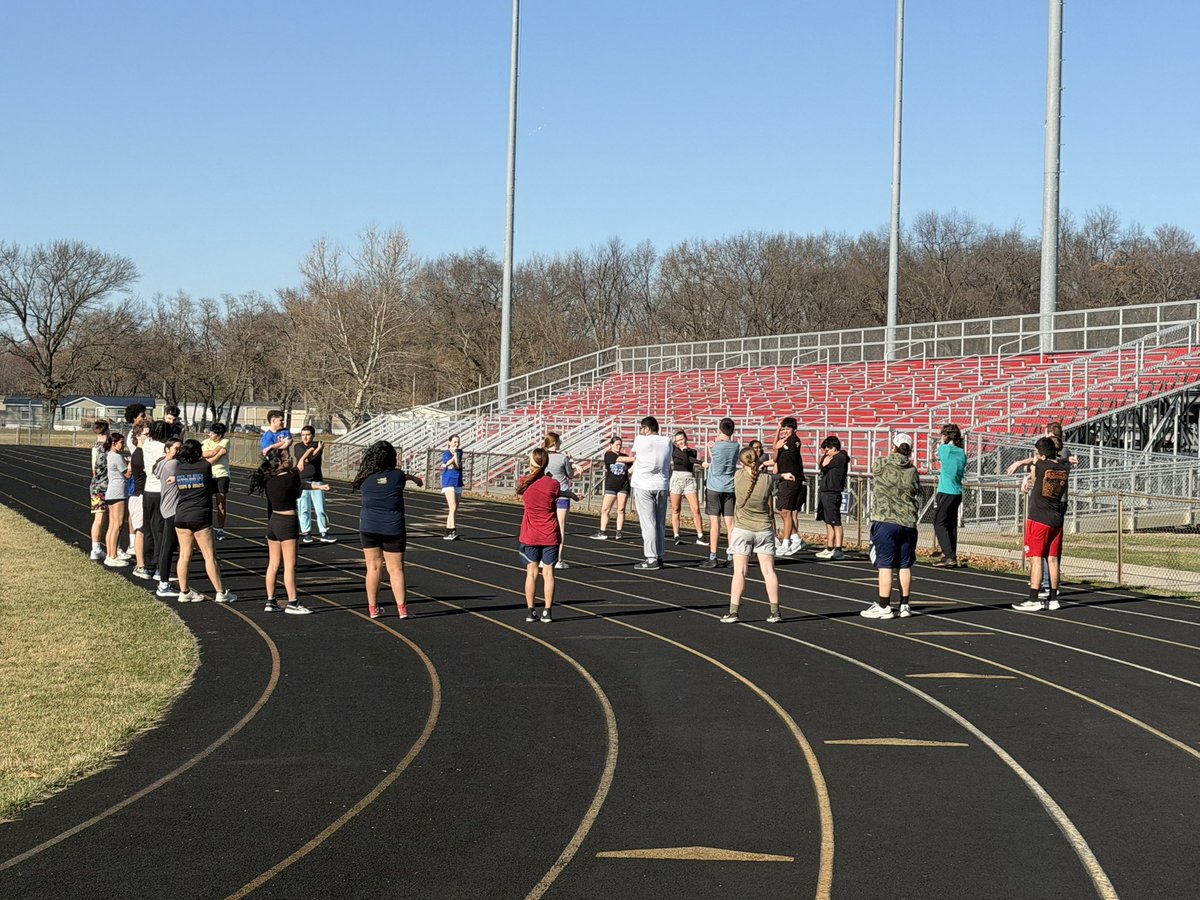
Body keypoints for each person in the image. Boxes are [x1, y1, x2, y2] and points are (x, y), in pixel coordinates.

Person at [352, 441, 423, 619]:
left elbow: (383, 478)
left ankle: (373, 608)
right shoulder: (398, 476)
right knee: (396, 569)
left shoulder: (364, 479)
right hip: (393, 527)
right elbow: (398, 477)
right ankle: (402, 609)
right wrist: (413, 477)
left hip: (369, 527)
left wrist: (410, 477)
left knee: (373, 568)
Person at [251, 449, 326, 614]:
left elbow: (299, 478)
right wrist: (307, 456)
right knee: (290, 565)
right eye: (286, 457)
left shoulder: (269, 479)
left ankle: (270, 601)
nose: (290, 458)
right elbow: (300, 473)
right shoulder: (291, 477)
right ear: (279, 462)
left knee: (273, 564)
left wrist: (315, 485)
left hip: (273, 522)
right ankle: (293, 602)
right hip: (287, 522)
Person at [861, 433, 921, 620]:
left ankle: (884, 605)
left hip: (886, 520)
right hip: (908, 522)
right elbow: (916, 490)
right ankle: (904, 604)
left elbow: (875, 470)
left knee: (885, 565)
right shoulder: (913, 470)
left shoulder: (881, 463)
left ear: (893, 447)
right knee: (905, 565)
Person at [720, 447, 783, 624]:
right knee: (769, 572)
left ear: (742, 463)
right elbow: (772, 476)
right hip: (764, 529)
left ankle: (733, 612)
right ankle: (775, 611)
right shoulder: (766, 480)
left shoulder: (738, 477)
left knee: (739, 572)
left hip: (742, 529)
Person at [171, 439, 237, 604]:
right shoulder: (204, 467)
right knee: (209, 556)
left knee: (184, 555)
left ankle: (184, 591)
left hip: (181, 515)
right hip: (200, 515)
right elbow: (210, 480)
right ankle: (220, 592)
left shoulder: (179, 468)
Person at [1012, 438, 1071, 612]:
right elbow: (1059, 461)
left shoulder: (1040, 465)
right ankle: (1053, 598)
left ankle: (1033, 598)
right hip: (1057, 518)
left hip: (1039, 517)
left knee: (1036, 558)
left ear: (1042, 455)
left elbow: (1035, 466)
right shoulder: (1065, 468)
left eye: (1037, 453)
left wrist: (1022, 463)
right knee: (1052, 559)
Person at [517, 447, 560, 623]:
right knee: (548, 573)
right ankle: (547, 611)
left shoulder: (524, 482)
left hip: (530, 534)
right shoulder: (553, 483)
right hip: (550, 534)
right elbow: (554, 495)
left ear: (532, 463)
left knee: (531, 573)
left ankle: (530, 611)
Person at [629, 416, 673, 570]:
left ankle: (650, 557)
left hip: (644, 484)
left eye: (642, 428)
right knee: (660, 522)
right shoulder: (667, 440)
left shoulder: (640, 439)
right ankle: (659, 554)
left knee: (648, 523)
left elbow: (633, 453)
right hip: (661, 484)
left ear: (646, 428)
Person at [700, 418, 739, 568]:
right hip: (730, 487)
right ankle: (731, 555)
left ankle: (713, 556)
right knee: (730, 523)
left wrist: (711, 446)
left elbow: (715, 458)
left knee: (714, 523)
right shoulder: (736, 446)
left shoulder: (716, 446)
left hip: (714, 487)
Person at [293, 425, 336, 544]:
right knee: (304, 509)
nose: (305, 437)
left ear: (312, 435)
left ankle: (324, 532)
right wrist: (315, 450)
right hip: (303, 481)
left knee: (320, 508)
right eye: (303, 435)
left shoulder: (317, 444)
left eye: (307, 435)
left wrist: (317, 449)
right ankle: (306, 533)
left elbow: (310, 458)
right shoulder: (298, 446)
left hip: (316, 479)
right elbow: (307, 459)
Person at [933, 423, 967, 568]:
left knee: (939, 523)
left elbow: (938, 454)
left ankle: (949, 555)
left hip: (946, 490)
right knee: (951, 524)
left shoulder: (944, 449)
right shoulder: (962, 453)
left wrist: (942, 442)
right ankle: (951, 553)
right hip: (957, 492)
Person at [773, 417, 808, 556]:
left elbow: (777, 450)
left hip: (791, 479)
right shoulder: (783, 442)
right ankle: (795, 538)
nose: (785, 431)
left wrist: (778, 445)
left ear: (794, 430)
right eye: (784, 428)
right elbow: (775, 456)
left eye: (788, 429)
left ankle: (786, 542)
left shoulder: (794, 441)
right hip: (784, 479)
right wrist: (777, 432)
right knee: (783, 511)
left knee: (786, 511)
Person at [543, 432, 578, 568]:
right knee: (561, 527)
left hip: (547, 494)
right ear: (555, 443)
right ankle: (558, 559)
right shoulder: (562, 458)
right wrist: (571, 462)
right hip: (562, 494)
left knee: (546, 525)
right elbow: (570, 474)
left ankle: (544, 558)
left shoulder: (543, 456)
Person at [154, 439, 183, 598]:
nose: (179, 451)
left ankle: (164, 578)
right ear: (167, 449)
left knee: (169, 545)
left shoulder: (163, 462)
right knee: (169, 547)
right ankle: (163, 584)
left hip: (166, 507)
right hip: (172, 509)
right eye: (176, 448)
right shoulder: (173, 465)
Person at [814, 435, 849, 561]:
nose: (826, 453)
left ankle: (838, 549)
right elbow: (822, 464)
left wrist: (825, 462)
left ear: (834, 448)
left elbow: (825, 465)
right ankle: (829, 547)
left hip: (833, 492)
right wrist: (825, 460)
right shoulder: (831, 457)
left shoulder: (840, 458)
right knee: (828, 521)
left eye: (827, 450)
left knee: (835, 522)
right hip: (826, 491)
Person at [591, 435, 632, 541]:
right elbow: (620, 459)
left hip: (623, 485)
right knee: (605, 509)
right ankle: (603, 531)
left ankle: (619, 532)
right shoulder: (609, 455)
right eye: (617, 445)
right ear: (611, 445)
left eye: (620, 445)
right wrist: (635, 458)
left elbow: (632, 465)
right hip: (611, 485)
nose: (618, 447)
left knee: (621, 509)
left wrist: (631, 469)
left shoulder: (626, 456)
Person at [142, 421, 169, 580]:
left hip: (148, 490)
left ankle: (148, 566)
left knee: (149, 530)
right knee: (160, 531)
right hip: (160, 491)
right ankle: (159, 566)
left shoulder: (147, 444)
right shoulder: (164, 448)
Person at [669, 430, 705, 546]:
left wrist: (697, 460)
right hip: (677, 479)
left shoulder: (692, 451)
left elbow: (689, 460)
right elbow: (686, 461)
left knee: (695, 509)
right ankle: (676, 535)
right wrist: (700, 462)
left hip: (689, 479)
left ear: (686, 439)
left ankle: (700, 535)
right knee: (675, 509)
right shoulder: (674, 451)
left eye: (681, 440)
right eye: (677, 441)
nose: (680, 442)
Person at [128, 422, 154, 579]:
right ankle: (139, 565)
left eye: (150, 434)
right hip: (139, 496)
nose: (149, 437)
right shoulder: (139, 454)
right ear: (138, 436)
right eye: (146, 434)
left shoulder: (146, 452)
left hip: (146, 495)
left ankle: (148, 564)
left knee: (147, 530)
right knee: (141, 530)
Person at [103, 432, 132, 567]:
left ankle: (110, 554)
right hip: (119, 492)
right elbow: (127, 474)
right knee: (118, 525)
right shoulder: (116, 457)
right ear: (114, 443)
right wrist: (131, 463)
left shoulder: (110, 455)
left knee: (112, 525)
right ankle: (113, 555)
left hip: (111, 492)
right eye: (121, 442)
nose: (123, 444)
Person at [202, 423, 232, 540]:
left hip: (222, 475)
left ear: (220, 435)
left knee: (221, 504)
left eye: (213, 433)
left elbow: (211, 458)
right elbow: (208, 456)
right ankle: (206, 529)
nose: (210, 435)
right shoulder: (205, 442)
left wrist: (213, 454)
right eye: (210, 432)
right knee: (206, 504)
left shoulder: (226, 441)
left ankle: (220, 529)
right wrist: (217, 453)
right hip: (208, 474)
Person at [89, 419, 110, 560]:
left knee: (98, 517)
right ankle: (113, 548)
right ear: (107, 430)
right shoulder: (106, 448)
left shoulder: (95, 447)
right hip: (106, 486)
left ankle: (95, 548)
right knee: (109, 519)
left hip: (95, 486)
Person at [438, 434, 464, 540]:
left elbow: (457, 465)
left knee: (454, 509)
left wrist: (454, 458)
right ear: (449, 442)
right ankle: (452, 530)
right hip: (449, 482)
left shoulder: (459, 452)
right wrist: (450, 461)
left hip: (458, 482)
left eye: (458, 442)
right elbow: (450, 463)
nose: (456, 444)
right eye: (454, 442)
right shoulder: (446, 453)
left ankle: (448, 531)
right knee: (452, 507)